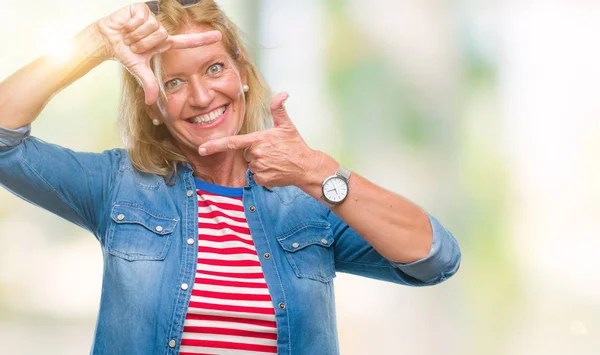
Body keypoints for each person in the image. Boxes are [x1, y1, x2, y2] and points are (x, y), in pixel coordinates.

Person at [0, 0, 461, 354]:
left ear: (243, 73)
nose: (201, 96)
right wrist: (96, 42)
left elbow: (435, 258)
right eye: (175, 83)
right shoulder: (119, 186)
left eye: (215, 68)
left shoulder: (307, 203)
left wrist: (317, 172)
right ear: (154, 103)